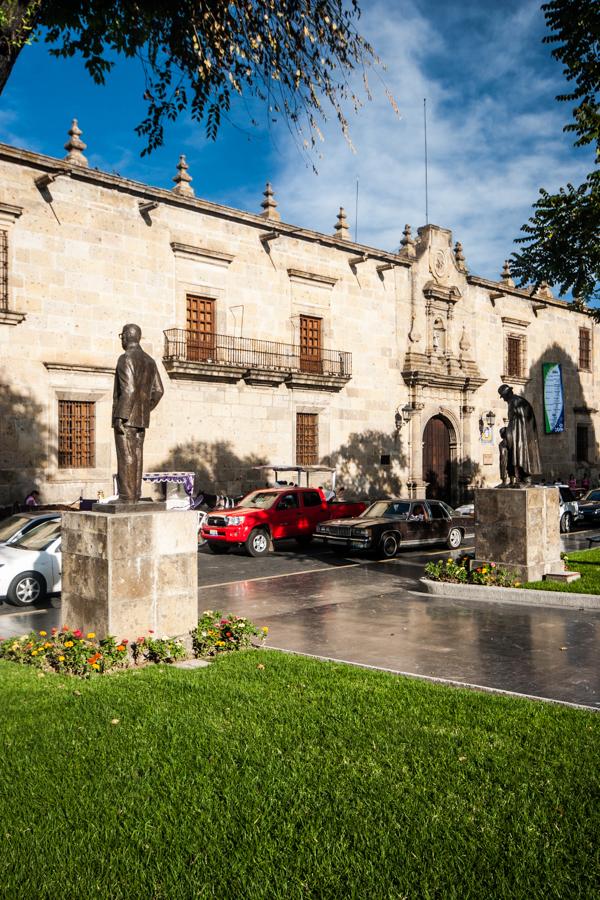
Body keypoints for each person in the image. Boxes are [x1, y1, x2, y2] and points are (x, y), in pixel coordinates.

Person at [112, 323, 164, 503]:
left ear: (126, 336)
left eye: (122, 336)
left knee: (126, 455)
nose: (122, 339)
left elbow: (129, 390)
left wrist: (121, 415)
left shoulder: (125, 358)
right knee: (137, 455)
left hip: (127, 417)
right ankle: (135, 495)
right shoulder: (150, 361)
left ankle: (126, 496)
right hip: (141, 417)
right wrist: (145, 409)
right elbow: (158, 391)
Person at [497, 384, 542, 484]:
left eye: (503, 397)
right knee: (510, 451)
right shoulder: (515, 401)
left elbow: (519, 421)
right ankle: (514, 478)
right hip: (517, 433)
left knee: (515, 451)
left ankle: (523, 478)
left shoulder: (515, 402)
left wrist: (508, 431)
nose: (503, 399)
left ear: (507, 394)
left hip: (519, 435)